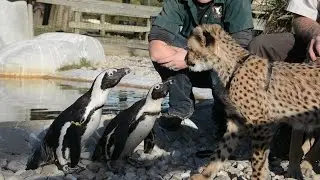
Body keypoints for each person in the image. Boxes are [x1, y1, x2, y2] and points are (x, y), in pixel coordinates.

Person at [148, 0, 254, 135]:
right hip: (189, 66)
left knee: (229, 60)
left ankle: (224, 114)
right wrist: (184, 54)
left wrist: (191, 58)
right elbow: (157, 47)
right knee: (167, 45)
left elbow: (241, 44)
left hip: (222, 70)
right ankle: (180, 107)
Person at [248, 0, 320, 165]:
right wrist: (316, 33)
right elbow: (300, 17)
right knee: (260, 46)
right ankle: (267, 128)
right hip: (313, 46)